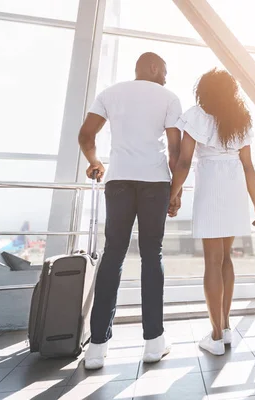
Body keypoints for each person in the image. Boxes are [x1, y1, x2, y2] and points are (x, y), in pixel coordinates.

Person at [78, 52, 182, 369]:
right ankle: (153, 342)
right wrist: (175, 192)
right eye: (164, 70)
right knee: (152, 255)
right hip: (155, 182)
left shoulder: (110, 94)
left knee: (113, 254)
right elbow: (176, 151)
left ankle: (97, 346)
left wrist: (95, 163)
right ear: (152, 67)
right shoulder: (169, 97)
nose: (166, 76)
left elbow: (85, 135)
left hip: (119, 180)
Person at [169, 69, 255, 356]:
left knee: (212, 262)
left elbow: (185, 161)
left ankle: (214, 336)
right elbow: (249, 167)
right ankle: (224, 328)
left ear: (204, 90)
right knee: (225, 259)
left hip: (211, 184)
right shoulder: (240, 119)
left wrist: (172, 194)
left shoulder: (196, 115)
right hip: (235, 186)